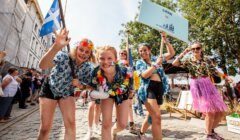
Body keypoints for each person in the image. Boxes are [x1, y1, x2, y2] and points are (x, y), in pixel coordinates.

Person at [37, 28, 94, 140]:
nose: (83, 53)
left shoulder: (88, 68)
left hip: (67, 93)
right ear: (76, 49)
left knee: (71, 125)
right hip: (50, 89)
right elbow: (42, 65)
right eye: (81, 50)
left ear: (90, 54)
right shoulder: (63, 56)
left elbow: (92, 85)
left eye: (87, 52)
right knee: (45, 128)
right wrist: (56, 47)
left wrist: (80, 85)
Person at [172, 42, 231, 140]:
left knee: (221, 111)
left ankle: (211, 132)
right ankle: (208, 135)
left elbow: (215, 71)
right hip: (197, 85)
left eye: (197, 48)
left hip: (208, 84)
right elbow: (174, 63)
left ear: (201, 49)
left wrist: (226, 77)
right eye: (193, 49)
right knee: (210, 111)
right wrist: (184, 52)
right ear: (191, 50)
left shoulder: (206, 60)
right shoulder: (188, 60)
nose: (195, 50)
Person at [136, 32, 175, 139]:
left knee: (151, 116)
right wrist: (156, 64)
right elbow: (144, 75)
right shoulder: (139, 63)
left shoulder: (157, 58)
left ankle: (141, 133)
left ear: (149, 50)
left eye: (145, 49)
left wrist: (165, 40)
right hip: (148, 89)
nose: (143, 52)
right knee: (156, 117)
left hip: (159, 88)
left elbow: (171, 53)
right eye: (140, 51)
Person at [90, 46, 132, 140]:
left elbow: (131, 83)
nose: (105, 62)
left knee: (122, 124)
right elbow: (92, 86)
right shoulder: (95, 72)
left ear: (116, 59)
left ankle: (114, 130)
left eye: (109, 58)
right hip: (106, 95)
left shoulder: (124, 70)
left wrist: (130, 95)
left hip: (122, 95)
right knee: (106, 124)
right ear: (97, 59)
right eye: (101, 58)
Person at [118, 49, 138, 134]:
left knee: (129, 105)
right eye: (121, 53)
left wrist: (132, 89)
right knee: (118, 105)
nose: (122, 54)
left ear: (127, 55)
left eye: (124, 53)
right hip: (118, 87)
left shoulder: (130, 64)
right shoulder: (116, 63)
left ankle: (131, 123)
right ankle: (119, 122)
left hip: (128, 86)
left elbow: (132, 76)